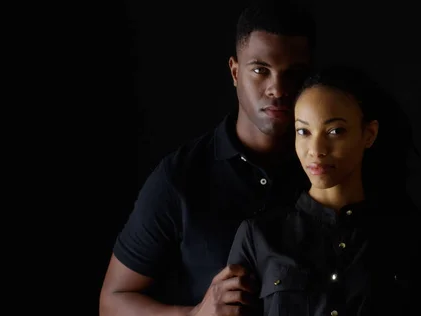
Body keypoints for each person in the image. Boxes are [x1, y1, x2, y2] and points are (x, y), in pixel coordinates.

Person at [99, 2, 316, 316]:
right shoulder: (181, 177)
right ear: (234, 71)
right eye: (260, 70)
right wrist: (195, 313)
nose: (277, 88)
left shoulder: (328, 167)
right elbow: (112, 301)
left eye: (293, 74)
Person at [227, 65, 421, 315]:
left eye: (335, 131)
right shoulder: (258, 236)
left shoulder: (407, 235)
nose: (316, 149)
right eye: (303, 131)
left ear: (369, 134)